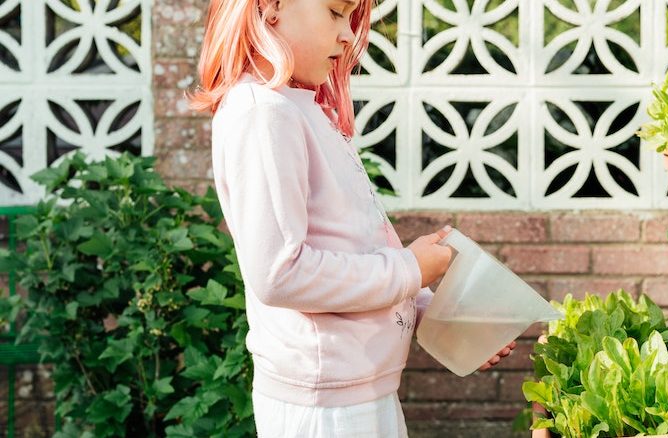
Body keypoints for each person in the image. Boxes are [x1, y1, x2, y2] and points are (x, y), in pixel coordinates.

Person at [189, 1, 515, 436]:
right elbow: (280, 274)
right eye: (334, 12)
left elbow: (352, 245)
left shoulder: (299, 108)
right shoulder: (263, 113)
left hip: (354, 394)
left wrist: (427, 307)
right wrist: (409, 270)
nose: (348, 35)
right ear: (271, 8)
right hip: (326, 409)